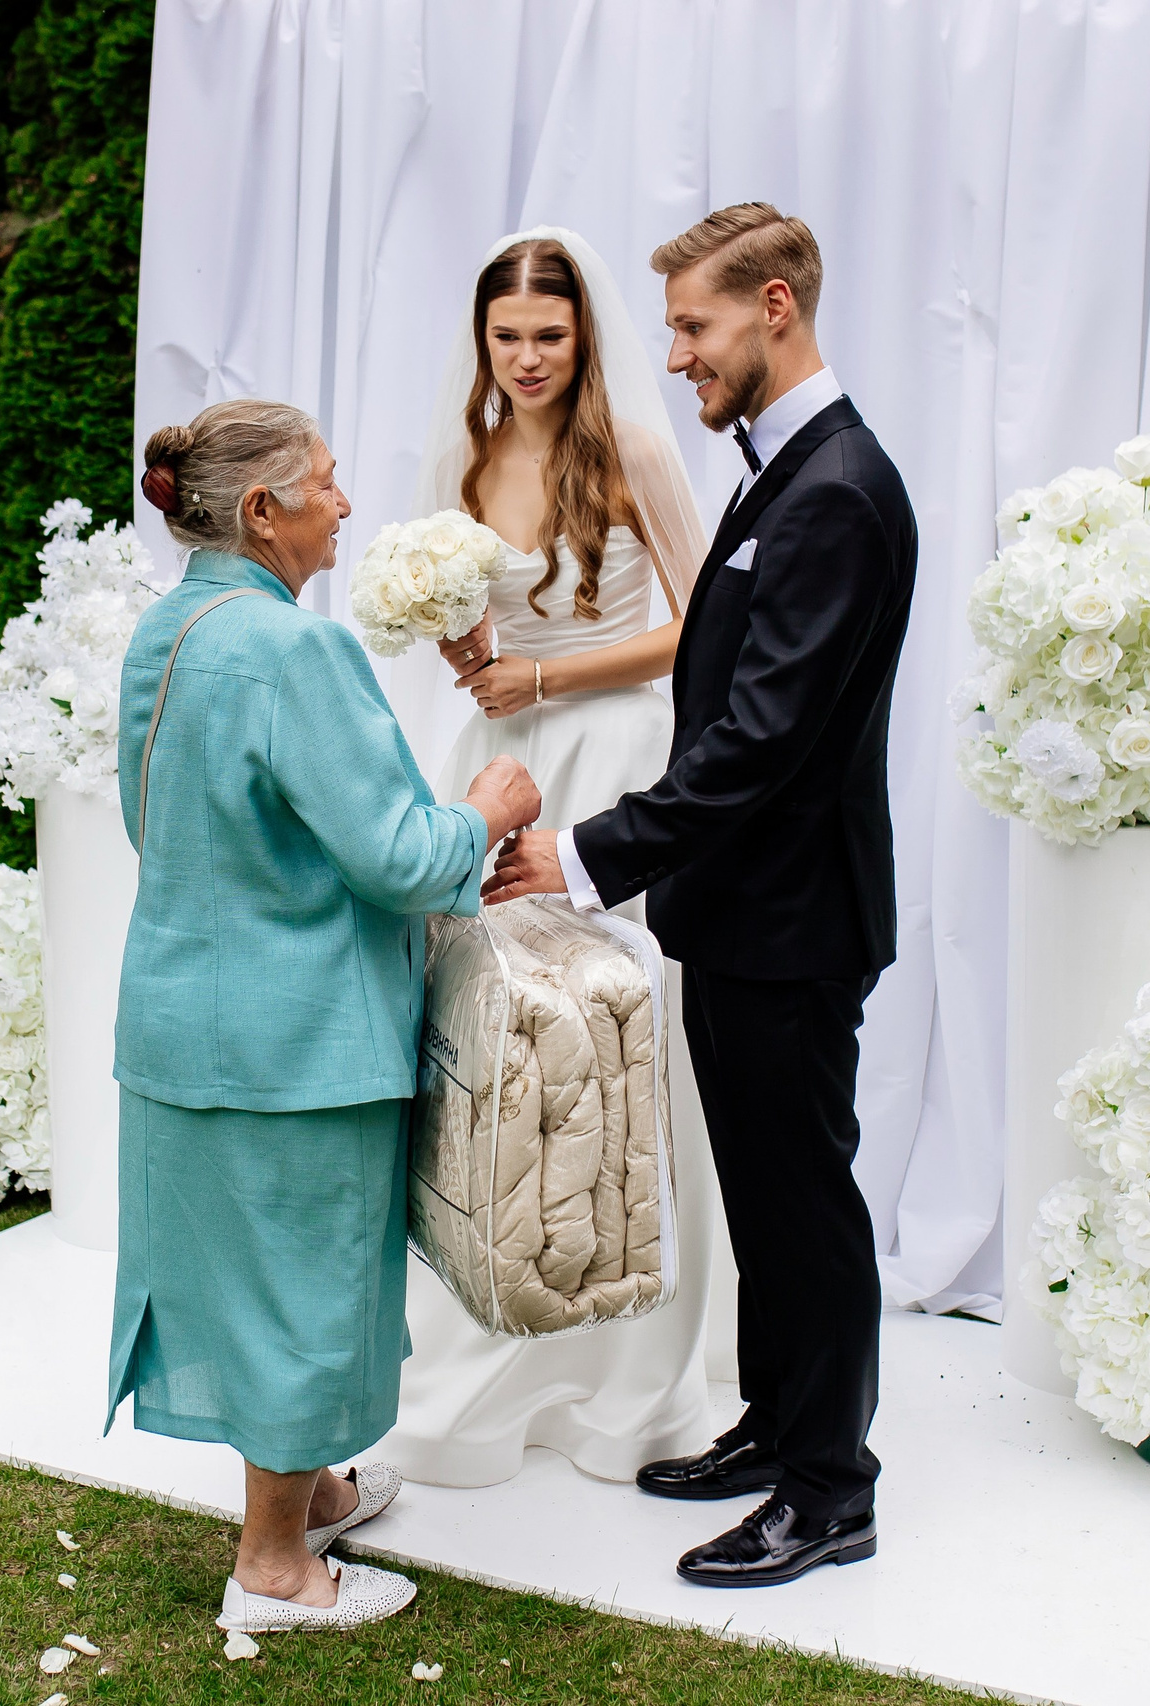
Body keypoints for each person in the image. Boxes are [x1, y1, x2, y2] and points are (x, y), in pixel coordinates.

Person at [485, 204, 918, 1588]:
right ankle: (774, 1424)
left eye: (694, 325)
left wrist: (592, 850)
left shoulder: (839, 486)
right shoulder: (780, 467)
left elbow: (765, 736)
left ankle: (830, 1487)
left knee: (806, 1201)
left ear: (775, 306)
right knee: (762, 1188)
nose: (673, 353)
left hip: (796, 920)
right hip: (739, 911)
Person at [109, 397, 544, 1632]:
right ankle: (275, 1568)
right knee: (306, 1288)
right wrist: (489, 806)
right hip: (295, 1034)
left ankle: (318, 1497)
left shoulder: (169, 627)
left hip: (185, 1014)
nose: (346, 505)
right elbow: (400, 856)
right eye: (327, 482)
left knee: (244, 1277)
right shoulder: (294, 649)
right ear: (263, 510)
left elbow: (174, 822)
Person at [378, 228, 722, 1490]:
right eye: (506, 337)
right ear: (483, 341)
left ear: (585, 340)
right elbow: (455, 629)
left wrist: (548, 671)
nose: (526, 360)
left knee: (618, 1038)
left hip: (612, 755)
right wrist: (467, 654)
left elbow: (700, 628)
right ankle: (490, 1308)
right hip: (491, 751)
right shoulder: (463, 454)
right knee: (492, 1038)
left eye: (550, 337)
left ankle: (627, 1368)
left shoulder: (629, 446)